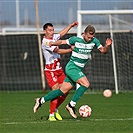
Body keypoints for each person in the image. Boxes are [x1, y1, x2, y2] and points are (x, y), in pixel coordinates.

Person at [33, 24, 112, 119]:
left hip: (78, 69)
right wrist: (53, 43)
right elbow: (62, 41)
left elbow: (103, 51)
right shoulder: (76, 39)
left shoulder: (95, 41)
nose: (90, 39)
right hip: (72, 67)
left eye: (91, 37)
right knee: (86, 84)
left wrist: (107, 45)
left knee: (62, 91)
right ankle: (71, 105)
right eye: (88, 37)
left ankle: (40, 101)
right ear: (84, 34)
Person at [41, 21, 78, 121]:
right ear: (44, 31)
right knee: (56, 91)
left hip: (59, 70)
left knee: (65, 91)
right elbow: (58, 51)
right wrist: (71, 50)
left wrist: (70, 26)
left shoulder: (53, 37)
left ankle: (55, 109)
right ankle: (51, 115)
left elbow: (61, 34)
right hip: (50, 70)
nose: (52, 32)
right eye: (49, 30)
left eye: (52, 30)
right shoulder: (46, 42)